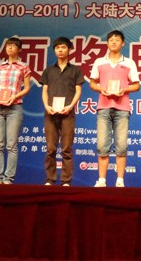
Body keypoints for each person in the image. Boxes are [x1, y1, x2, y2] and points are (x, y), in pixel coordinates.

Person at [89, 30, 140, 187]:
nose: (113, 42)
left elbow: (136, 85)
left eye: (117, 39)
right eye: (111, 39)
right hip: (103, 107)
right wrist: (101, 89)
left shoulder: (129, 62)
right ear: (107, 43)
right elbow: (92, 83)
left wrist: (124, 90)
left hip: (122, 108)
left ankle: (120, 180)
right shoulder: (99, 61)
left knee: (121, 146)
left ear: (123, 43)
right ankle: (102, 180)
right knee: (102, 145)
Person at [40, 37, 85, 186]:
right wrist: (47, 106)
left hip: (68, 114)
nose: (60, 50)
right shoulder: (48, 70)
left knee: (66, 149)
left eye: (63, 47)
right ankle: (50, 179)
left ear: (69, 50)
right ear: (54, 50)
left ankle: (66, 181)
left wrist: (70, 106)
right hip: (50, 113)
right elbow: (44, 90)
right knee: (50, 149)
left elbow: (78, 91)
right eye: (57, 47)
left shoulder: (75, 70)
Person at [0, 36, 31, 184]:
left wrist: (15, 96)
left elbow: (26, 88)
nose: (10, 47)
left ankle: (8, 178)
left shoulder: (23, 67)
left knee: (11, 145)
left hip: (14, 107)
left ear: (19, 49)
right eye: (8, 45)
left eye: (13, 45)